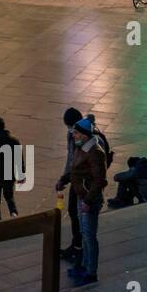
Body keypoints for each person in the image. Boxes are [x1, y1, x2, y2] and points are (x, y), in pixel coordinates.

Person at [65, 117, 108, 286]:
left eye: (75, 133)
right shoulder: (80, 147)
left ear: (83, 135)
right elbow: (75, 170)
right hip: (81, 196)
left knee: (90, 236)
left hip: (89, 200)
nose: (73, 135)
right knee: (84, 233)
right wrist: (63, 179)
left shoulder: (95, 152)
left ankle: (92, 272)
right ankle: (83, 266)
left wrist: (88, 201)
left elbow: (100, 180)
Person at [56, 107, 85, 265]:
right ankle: (78, 245)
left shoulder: (76, 136)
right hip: (83, 179)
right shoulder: (89, 131)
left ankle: (78, 247)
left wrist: (64, 178)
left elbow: (73, 160)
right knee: (76, 212)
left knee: (75, 211)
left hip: (80, 180)